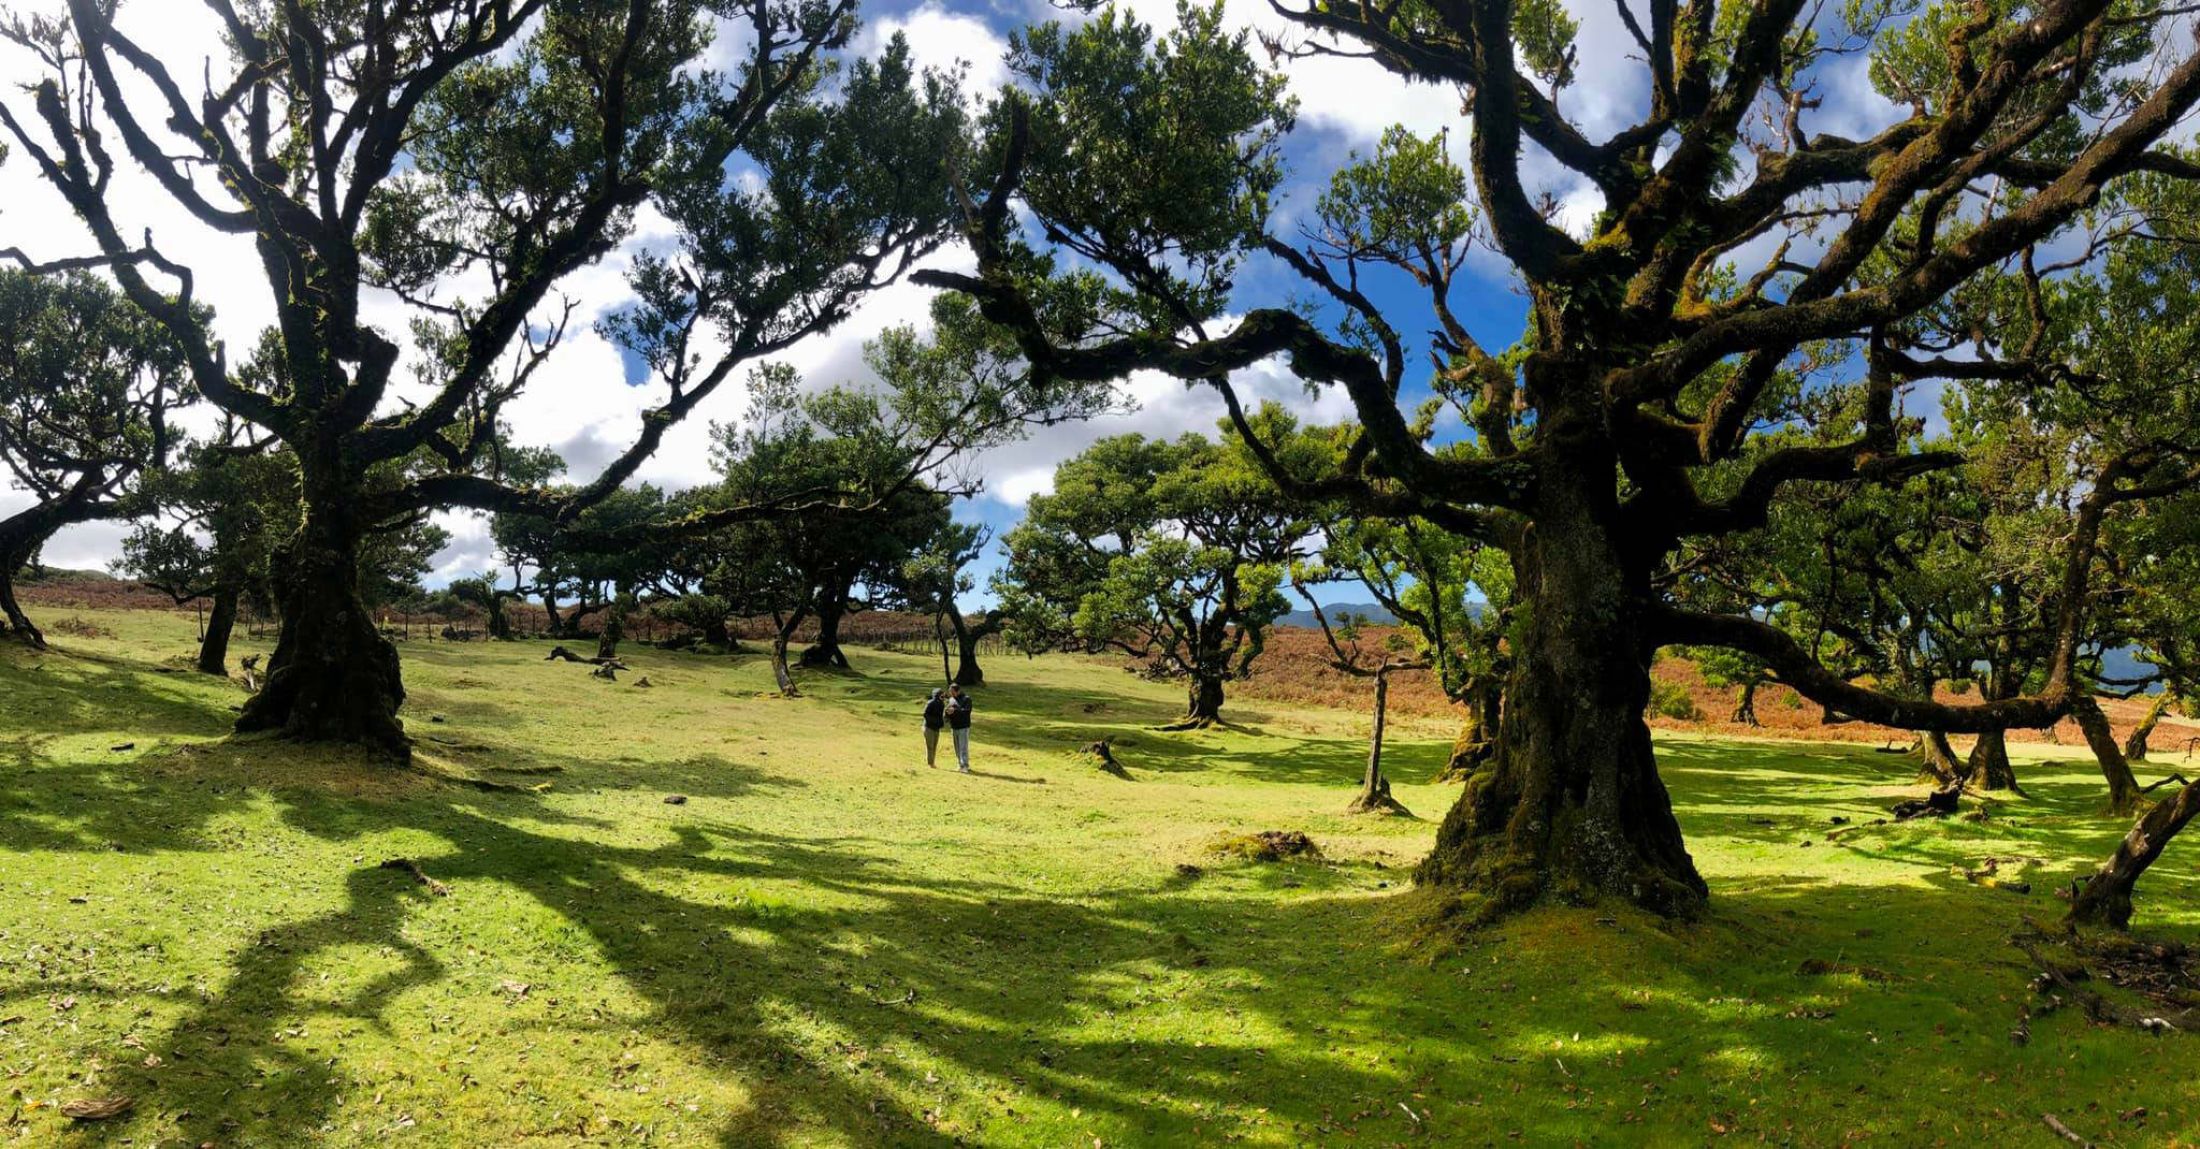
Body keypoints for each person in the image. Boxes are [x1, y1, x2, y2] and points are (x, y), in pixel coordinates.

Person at [945, 682, 973, 773]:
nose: (951, 694)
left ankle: (965, 765)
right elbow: (949, 711)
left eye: (953, 692)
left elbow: (966, 712)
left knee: (963, 747)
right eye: (950, 692)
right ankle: (959, 764)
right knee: (957, 747)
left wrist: (955, 711)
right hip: (954, 726)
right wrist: (947, 713)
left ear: (958, 691)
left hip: (963, 727)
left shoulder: (967, 699)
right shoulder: (951, 700)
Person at [922, 688, 946, 767]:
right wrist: (932, 722)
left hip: (936, 728)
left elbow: (940, 716)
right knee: (930, 746)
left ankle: (932, 762)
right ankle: (930, 763)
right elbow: (925, 714)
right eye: (941, 695)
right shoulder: (931, 703)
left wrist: (941, 723)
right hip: (929, 727)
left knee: (934, 746)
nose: (943, 696)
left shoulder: (942, 704)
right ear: (937, 695)